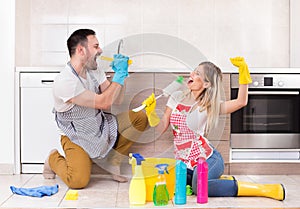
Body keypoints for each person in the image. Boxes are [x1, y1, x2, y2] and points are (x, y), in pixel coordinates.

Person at [142, 57, 285, 201]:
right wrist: (151, 114)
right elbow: (160, 128)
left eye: (197, 73)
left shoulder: (208, 106)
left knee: (199, 188)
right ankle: (219, 181)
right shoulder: (176, 97)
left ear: (206, 83)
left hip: (208, 159)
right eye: (194, 71)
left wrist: (244, 75)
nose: (192, 74)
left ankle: (263, 189)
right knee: (168, 180)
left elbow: (241, 102)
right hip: (185, 162)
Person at [43, 29, 148, 189]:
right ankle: (53, 159)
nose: (100, 51)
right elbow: (103, 103)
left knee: (140, 118)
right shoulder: (66, 81)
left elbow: (116, 100)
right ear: (81, 50)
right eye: (96, 46)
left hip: (100, 126)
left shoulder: (94, 70)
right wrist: (118, 77)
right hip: (76, 136)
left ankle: (114, 161)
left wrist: (122, 75)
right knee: (78, 181)